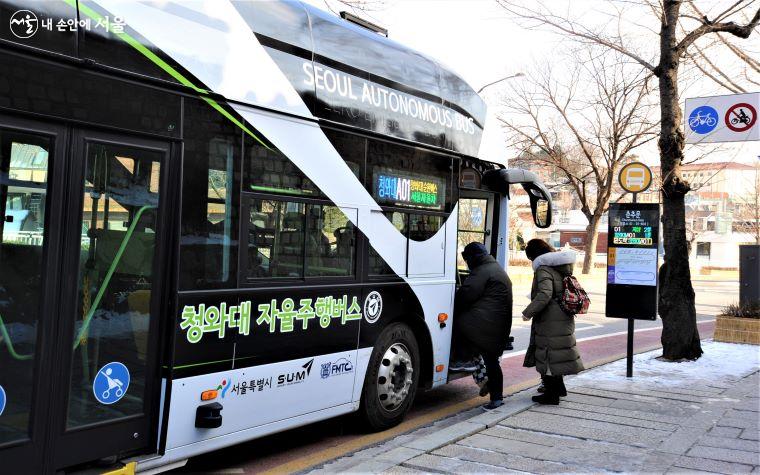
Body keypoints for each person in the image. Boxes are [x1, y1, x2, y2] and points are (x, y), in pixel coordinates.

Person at [450, 242, 513, 410]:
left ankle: (460, 360)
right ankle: (495, 396)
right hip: (497, 325)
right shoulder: (495, 268)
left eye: (467, 260)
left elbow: (465, 295)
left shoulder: (482, 271)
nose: (467, 264)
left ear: (473, 258)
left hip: (486, 325)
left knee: (455, 322)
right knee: (492, 362)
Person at [522, 239, 584, 405]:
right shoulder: (559, 267)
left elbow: (544, 294)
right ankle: (559, 388)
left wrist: (528, 312)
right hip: (563, 315)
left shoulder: (543, 269)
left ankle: (551, 395)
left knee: (548, 354)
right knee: (557, 353)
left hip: (550, 318)